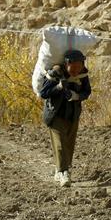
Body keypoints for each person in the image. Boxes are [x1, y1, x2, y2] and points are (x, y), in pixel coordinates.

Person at [39, 49, 91, 187]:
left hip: (73, 114)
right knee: (60, 144)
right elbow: (43, 93)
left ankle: (60, 169)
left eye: (79, 67)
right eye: (73, 67)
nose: (76, 70)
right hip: (56, 114)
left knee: (69, 144)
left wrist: (76, 96)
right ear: (66, 64)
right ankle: (63, 172)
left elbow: (87, 92)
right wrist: (59, 87)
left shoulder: (83, 75)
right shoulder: (55, 73)